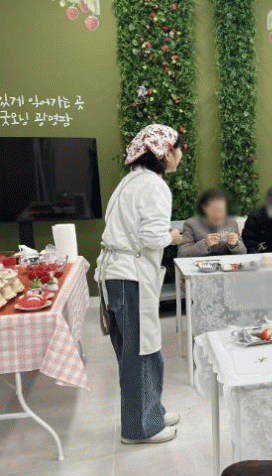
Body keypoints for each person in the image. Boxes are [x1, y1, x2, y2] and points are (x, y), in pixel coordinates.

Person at [95, 124, 183, 444]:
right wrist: (172, 236)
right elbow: (151, 238)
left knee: (137, 351)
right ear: (165, 152)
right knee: (141, 352)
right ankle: (140, 428)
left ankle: (151, 412)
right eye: (178, 148)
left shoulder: (131, 180)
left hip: (116, 275)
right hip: (128, 276)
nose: (181, 155)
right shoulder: (154, 186)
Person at [178, 189, 245, 257]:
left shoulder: (232, 223)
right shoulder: (191, 224)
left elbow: (243, 252)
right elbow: (182, 254)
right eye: (215, 210)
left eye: (222, 210)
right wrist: (205, 244)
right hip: (201, 262)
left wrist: (235, 244)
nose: (219, 215)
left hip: (227, 263)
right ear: (204, 208)